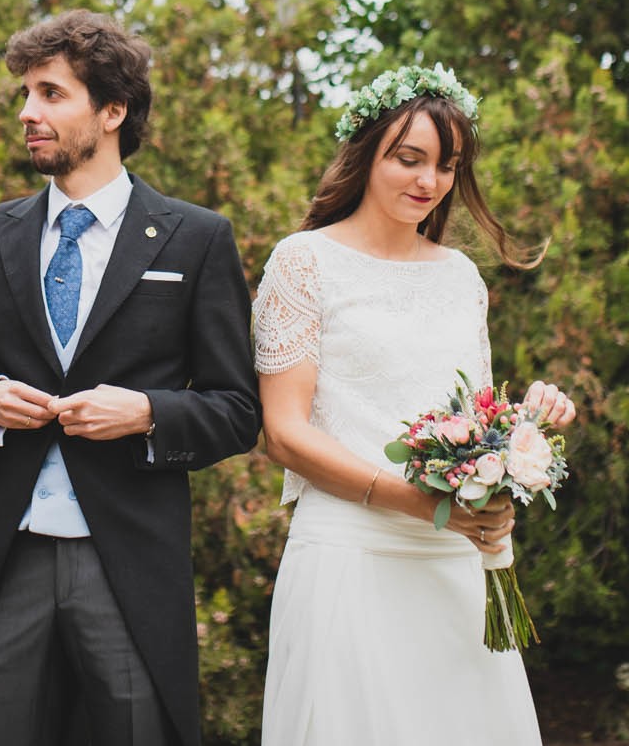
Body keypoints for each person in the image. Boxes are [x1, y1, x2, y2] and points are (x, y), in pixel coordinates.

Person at [0, 10, 261, 746]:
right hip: (11, 556)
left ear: (113, 110)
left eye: (51, 93)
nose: (27, 113)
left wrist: (148, 413)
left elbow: (236, 409)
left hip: (129, 560)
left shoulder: (196, 238)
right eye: (25, 95)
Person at [251, 63, 577, 746]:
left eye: (447, 165)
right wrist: (418, 502)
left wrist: (525, 432)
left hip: (452, 560)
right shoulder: (303, 262)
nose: (429, 180)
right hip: (349, 556)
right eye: (410, 158)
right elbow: (282, 433)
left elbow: (472, 424)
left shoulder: (461, 277)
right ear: (367, 153)